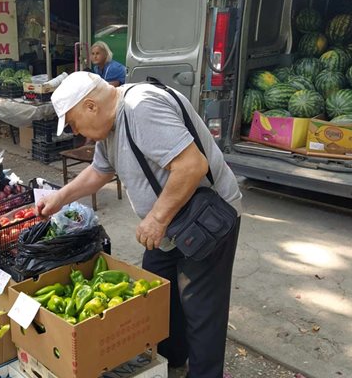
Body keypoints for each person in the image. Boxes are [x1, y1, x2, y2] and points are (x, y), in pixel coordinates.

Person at [38, 72, 243, 378]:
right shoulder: (109, 126)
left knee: (202, 311)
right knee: (159, 296)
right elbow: (99, 171)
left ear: (91, 106)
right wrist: (61, 197)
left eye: (73, 122)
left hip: (204, 223)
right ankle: (172, 362)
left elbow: (191, 165)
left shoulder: (140, 108)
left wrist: (157, 218)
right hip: (170, 226)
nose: (77, 132)